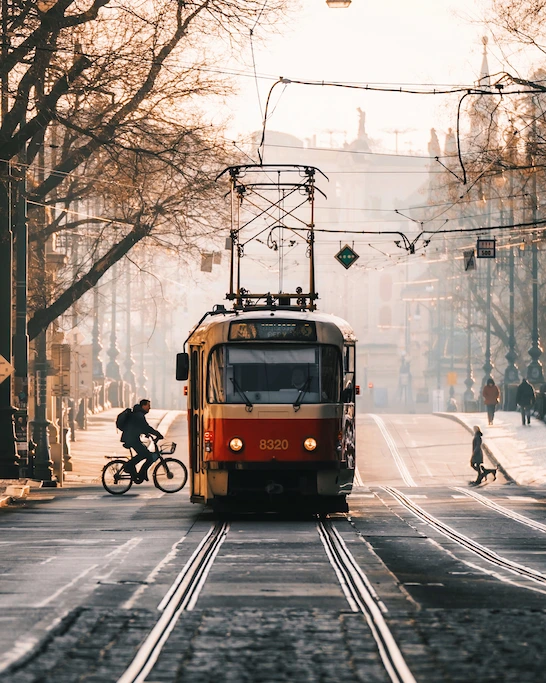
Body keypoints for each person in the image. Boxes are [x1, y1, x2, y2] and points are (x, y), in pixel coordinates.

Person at [121, 399, 163, 483]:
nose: (149, 408)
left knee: (146, 455)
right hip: (131, 439)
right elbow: (146, 427)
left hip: (132, 438)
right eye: (148, 406)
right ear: (143, 406)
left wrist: (146, 433)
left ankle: (141, 473)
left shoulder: (138, 414)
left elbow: (140, 427)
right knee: (146, 455)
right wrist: (157, 434)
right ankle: (130, 467)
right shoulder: (139, 415)